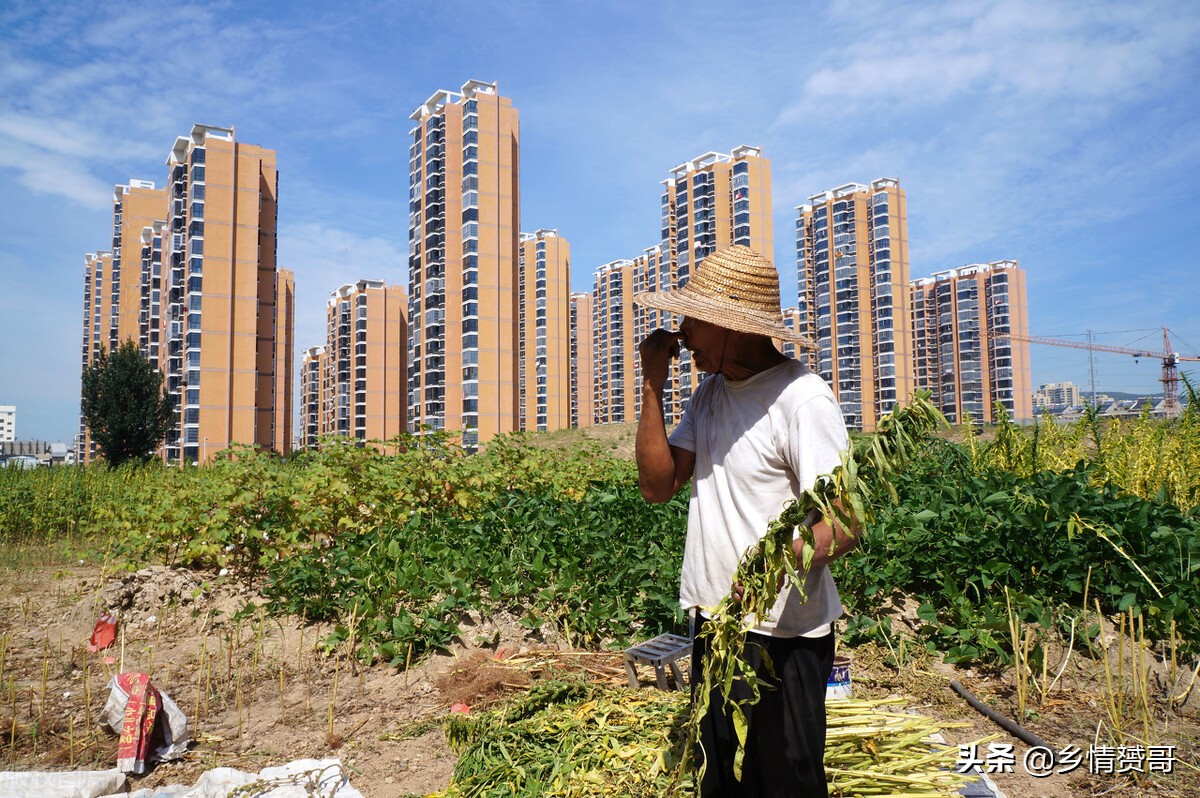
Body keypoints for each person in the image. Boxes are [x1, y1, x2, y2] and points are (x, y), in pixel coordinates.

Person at [634, 245, 858, 798]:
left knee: (786, 783)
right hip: (716, 624)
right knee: (720, 778)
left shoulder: (801, 400)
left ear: (733, 324)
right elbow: (657, 486)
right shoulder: (709, 395)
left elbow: (846, 521)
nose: (683, 332)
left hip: (783, 637)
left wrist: (777, 564)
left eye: (694, 319)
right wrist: (652, 384)